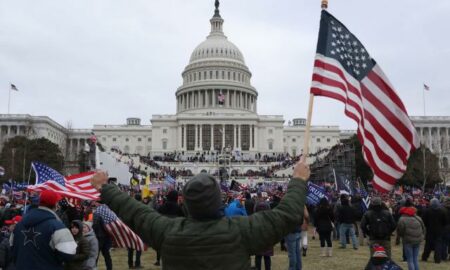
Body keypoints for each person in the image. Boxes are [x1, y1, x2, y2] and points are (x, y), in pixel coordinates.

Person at [90, 159, 310, 269]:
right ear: (219, 202)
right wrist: (298, 180)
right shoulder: (241, 232)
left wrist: (106, 188)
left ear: (185, 205)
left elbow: (136, 213)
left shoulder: (168, 233)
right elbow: (288, 214)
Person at [11, 190, 77, 270]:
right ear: (56, 204)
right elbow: (69, 253)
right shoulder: (57, 226)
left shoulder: (19, 224)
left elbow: (12, 246)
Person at [153, 190, 185, 266]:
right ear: (176, 197)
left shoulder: (162, 207)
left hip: (163, 229)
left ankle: (158, 260)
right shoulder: (178, 207)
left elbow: (157, 216)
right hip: (175, 230)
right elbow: (183, 218)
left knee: (160, 245)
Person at [396, 198, 425, 270]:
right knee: (415, 259)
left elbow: (400, 231)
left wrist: (401, 237)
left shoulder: (402, 219)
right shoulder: (418, 218)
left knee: (410, 260)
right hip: (417, 240)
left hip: (408, 241)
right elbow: (423, 228)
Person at [421, 197, 447, 264]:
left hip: (430, 230)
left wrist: (427, 226)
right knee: (438, 245)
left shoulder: (427, 211)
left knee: (428, 245)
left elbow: (423, 220)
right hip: (439, 230)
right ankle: (437, 259)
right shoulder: (442, 211)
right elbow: (445, 222)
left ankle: (425, 257)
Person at [253, 198, 273, 270]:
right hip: (267, 235)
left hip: (258, 235)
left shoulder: (255, 218)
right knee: (267, 256)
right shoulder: (269, 218)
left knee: (258, 256)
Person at [92, 202, 113, 270]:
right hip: (107, 236)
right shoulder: (109, 211)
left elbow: (95, 225)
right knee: (107, 255)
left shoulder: (97, 212)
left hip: (99, 237)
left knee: (95, 255)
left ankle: (94, 268)